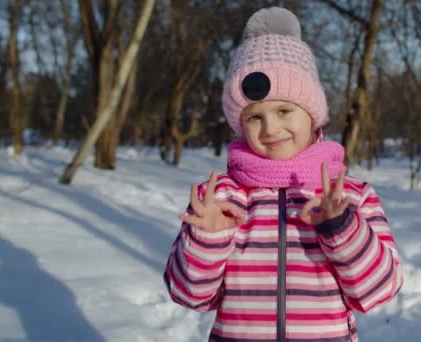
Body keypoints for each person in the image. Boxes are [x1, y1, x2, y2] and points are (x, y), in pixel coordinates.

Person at [164, 7, 403, 341]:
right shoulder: (219, 199)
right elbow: (188, 295)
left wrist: (343, 228)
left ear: (312, 114)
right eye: (254, 117)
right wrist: (207, 240)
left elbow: (379, 290)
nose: (270, 128)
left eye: (284, 110)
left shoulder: (348, 195)